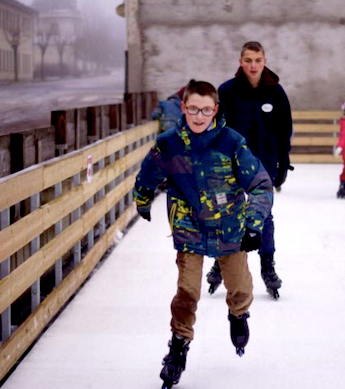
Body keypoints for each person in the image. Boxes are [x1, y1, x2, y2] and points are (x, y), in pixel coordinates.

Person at [134, 80, 273, 387]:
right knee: (187, 291)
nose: (199, 116)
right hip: (189, 228)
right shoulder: (169, 144)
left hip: (230, 227)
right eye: (193, 109)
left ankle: (238, 314)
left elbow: (261, 184)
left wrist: (254, 225)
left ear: (215, 110)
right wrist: (142, 199)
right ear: (183, 108)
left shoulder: (232, 142)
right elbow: (149, 173)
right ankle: (178, 346)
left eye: (206, 110)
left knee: (240, 288)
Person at [205, 41, 293, 300]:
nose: (253, 65)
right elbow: (215, 130)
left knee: (264, 217)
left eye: (258, 60)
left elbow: (283, 130)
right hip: (230, 165)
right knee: (227, 215)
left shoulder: (276, 93)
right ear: (240, 62)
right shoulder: (227, 91)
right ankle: (222, 263)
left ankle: (268, 267)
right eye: (248, 60)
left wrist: (283, 162)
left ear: (264, 61)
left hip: (263, 165)